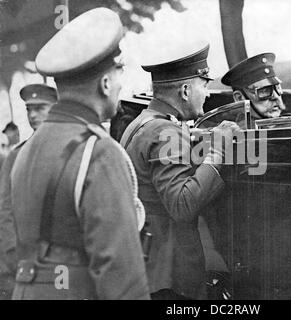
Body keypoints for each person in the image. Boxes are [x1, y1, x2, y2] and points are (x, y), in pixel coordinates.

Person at [9, 8, 150, 300]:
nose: (121, 86)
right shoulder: (99, 151)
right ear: (106, 83)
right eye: (119, 74)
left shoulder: (26, 150)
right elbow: (121, 275)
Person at [120, 44, 240, 300]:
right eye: (204, 85)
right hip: (169, 277)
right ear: (185, 90)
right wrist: (217, 151)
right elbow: (182, 205)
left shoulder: (141, 123)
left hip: (147, 264)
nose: (207, 94)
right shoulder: (165, 132)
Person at [0, 84, 57, 299]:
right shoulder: (17, 156)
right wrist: (14, 259)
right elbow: (5, 211)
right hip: (26, 261)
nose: (32, 115)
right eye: (28, 109)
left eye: (40, 108)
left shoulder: (72, 151)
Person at [221, 53, 287, 126]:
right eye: (264, 91)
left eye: (277, 88)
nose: (276, 97)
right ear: (239, 98)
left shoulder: (290, 123)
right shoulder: (239, 133)